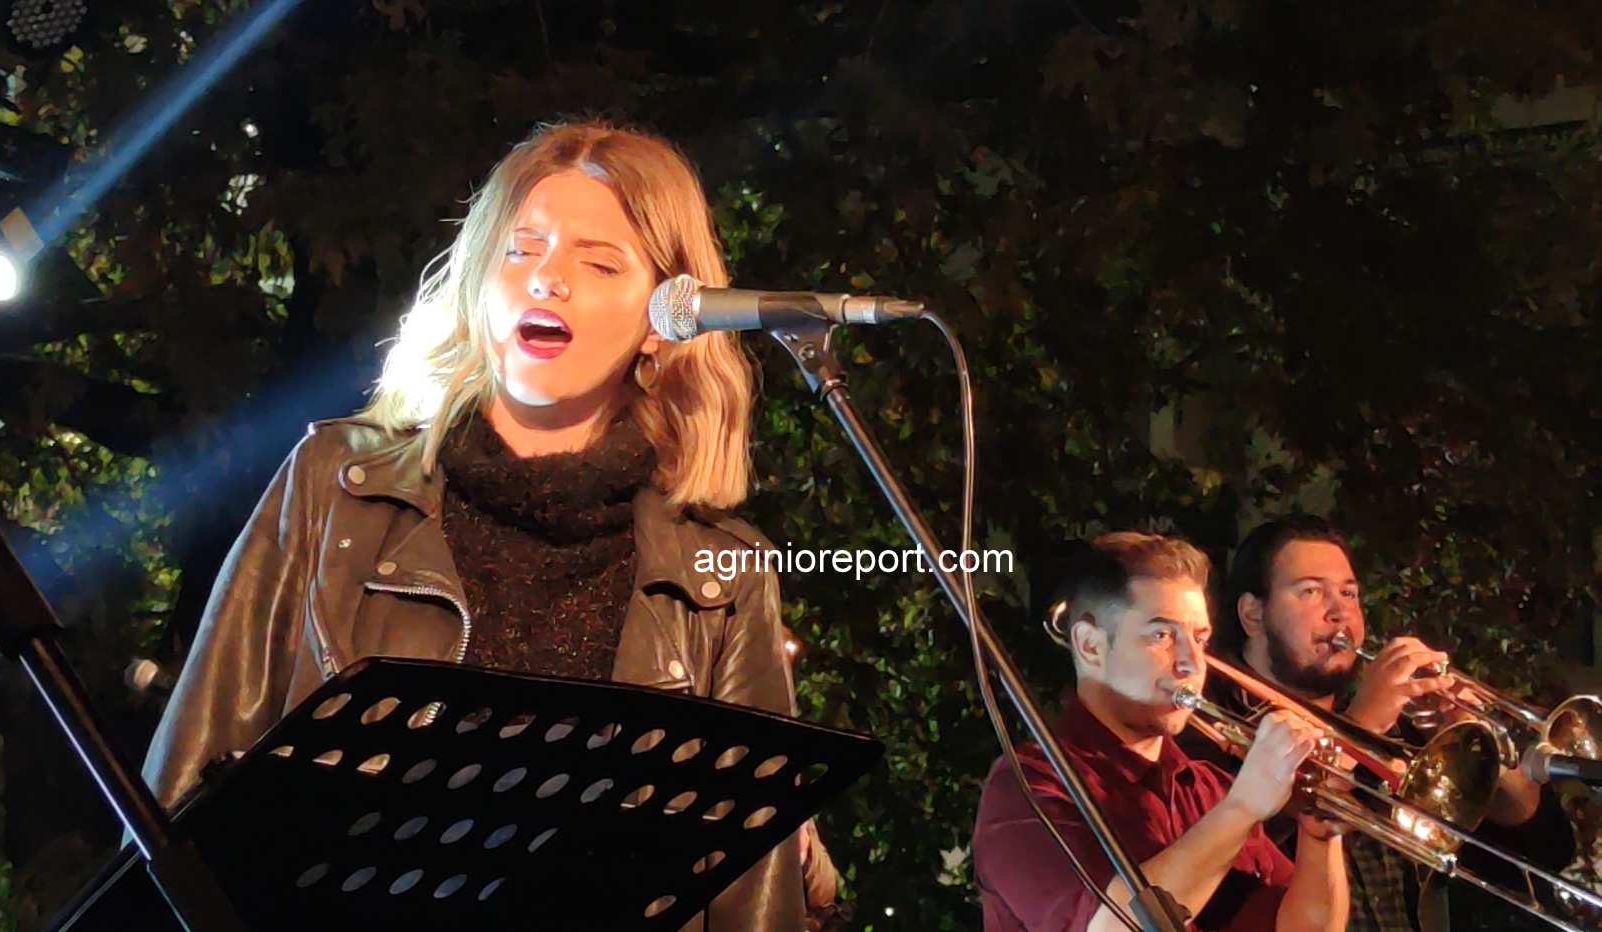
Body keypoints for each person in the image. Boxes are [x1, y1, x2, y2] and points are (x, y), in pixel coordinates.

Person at [140, 119, 826, 930]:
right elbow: (173, 813)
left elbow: (754, 902)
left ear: (663, 322)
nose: (548, 279)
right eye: (521, 249)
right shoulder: (337, 486)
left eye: (599, 263)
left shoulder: (723, 575)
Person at [1194, 516, 1578, 932]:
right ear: (1253, 614)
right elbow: (1234, 859)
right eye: (1311, 591)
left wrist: (1482, 753)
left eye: (1349, 593)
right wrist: (1360, 727)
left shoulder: (1402, 726)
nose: (1339, 612)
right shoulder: (1205, 725)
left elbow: (1547, 851)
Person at [972, 532, 1349, 932]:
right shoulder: (1027, 787)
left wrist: (1319, 834)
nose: (1192, 663)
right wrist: (1243, 807)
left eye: (1200, 638)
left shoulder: (1207, 788)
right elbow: (1112, 927)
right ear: (1090, 646)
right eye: (1162, 635)